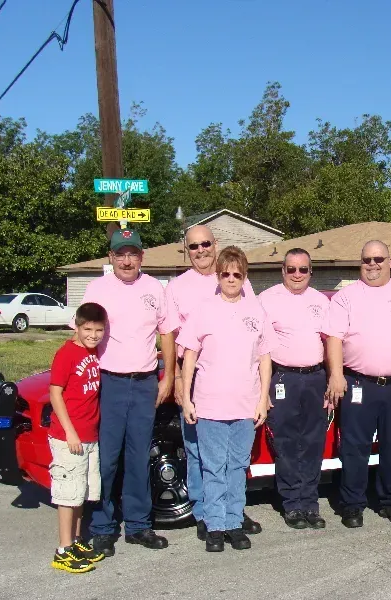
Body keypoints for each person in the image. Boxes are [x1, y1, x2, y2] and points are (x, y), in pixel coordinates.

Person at [81, 229, 178, 557]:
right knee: (107, 458)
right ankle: (103, 526)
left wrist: (169, 377)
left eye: (132, 254)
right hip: (111, 382)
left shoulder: (154, 288)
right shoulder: (97, 289)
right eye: (120, 254)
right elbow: (83, 338)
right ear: (110, 257)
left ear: (141, 257)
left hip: (145, 382)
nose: (126, 260)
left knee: (138, 456)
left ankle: (138, 525)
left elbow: (166, 333)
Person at [324, 240, 391, 528]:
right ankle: (352, 505)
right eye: (367, 260)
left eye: (378, 259)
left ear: (390, 261)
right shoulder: (345, 298)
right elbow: (334, 339)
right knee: (354, 447)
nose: (372, 265)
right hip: (358, 384)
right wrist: (336, 375)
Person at [177, 246, 278, 552]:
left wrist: (262, 400)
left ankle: (234, 522)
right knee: (213, 467)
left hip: (245, 404)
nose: (231, 278)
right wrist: (187, 398)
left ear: (244, 276)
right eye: (226, 273)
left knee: (237, 467)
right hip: (209, 404)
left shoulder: (256, 311)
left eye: (237, 274)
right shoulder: (203, 310)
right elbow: (189, 357)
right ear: (218, 276)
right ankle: (215, 525)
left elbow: (264, 359)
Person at [165, 225, 261, 542]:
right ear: (186, 250)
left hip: (236, 381)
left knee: (231, 459)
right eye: (194, 246)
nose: (201, 250)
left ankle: (230, 513)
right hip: (196, 375)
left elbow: (256, 335)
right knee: (198, 451)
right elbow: (172, 336)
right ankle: (205, 513)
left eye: (206, 244)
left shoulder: (239, 281)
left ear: (215, 244)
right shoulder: (177, 287)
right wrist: (177, 378)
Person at [259, 248, 331, 529]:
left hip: (316, 377)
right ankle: (291, 504)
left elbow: (330, 343)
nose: (297, 274)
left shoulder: (321, 302)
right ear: (283, 271)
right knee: (287, 443)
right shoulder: (267, 299)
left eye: (303, 269)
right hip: (283, 379)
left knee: (314, 442)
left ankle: (310, 503)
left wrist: (331, 379)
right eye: (291, 269)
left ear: (311, 272)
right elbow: (259, 347)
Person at [48, 302, 107, 573]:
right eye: (88, 329)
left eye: (98, 330)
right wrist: (70, 432)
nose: (93, 335)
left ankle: (75, 540)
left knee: (82, 492)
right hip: (68, 437)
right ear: (77, 325)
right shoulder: (66, 354)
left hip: (89, 435)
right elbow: (55, 393)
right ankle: (63, 549)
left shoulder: (93, 352)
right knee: (67, 494)